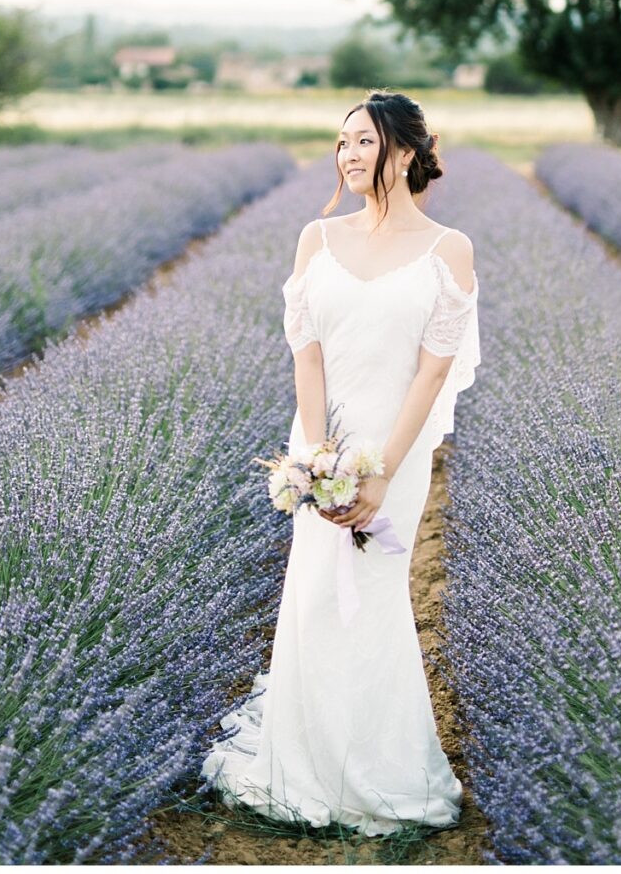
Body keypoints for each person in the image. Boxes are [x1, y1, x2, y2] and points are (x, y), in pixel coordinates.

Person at [199, 89, 481, 838]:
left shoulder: (448, 249)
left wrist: (382, 468)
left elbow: (431, 374)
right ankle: (305, 763)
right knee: (315, 592)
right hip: (319, 442)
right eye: (342, 143)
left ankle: (379, 770)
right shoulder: (315, 240)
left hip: (398, 449)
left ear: (409, 152)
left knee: (376, 595)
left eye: (365, 141)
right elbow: (309, 362)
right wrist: (317, 459)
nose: (350, 155)